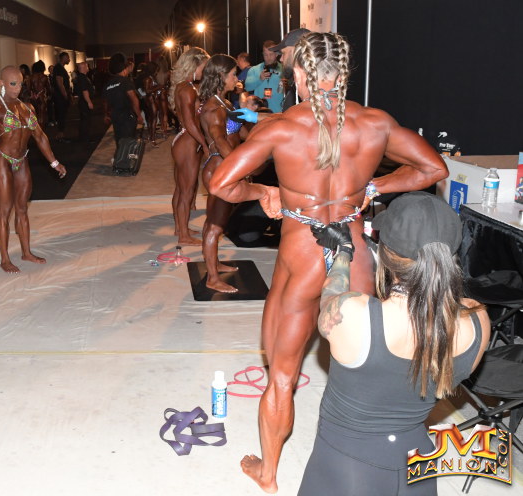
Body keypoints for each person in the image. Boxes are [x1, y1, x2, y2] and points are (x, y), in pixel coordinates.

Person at [207, 32, 448, 493]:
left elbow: (221, 183)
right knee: (361, 369)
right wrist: (374, 187)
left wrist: (263, 191)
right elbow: (434, 169)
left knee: (281, 374)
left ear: (299, 73)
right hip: (355, 256)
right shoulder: (375, 123)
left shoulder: (281, 127)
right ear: (345, 72)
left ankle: (269, 474)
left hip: (302, 258)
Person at [298, 192, 489, 495]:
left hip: (348, 469)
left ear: (384, 255)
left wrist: (344, 251)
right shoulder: (477, 319)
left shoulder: (355, 314)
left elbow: (329, 301)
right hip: (418, 464)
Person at [0, 66, 67, 273]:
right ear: (2, 84)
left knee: (22, 209)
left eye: (21, 83)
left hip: (21, 160)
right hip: (2, 160)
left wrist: (54, 162)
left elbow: (40, 136)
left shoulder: (27, 107)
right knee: (4, 210)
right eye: (13, 84)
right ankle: (5, 259)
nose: (17, 88)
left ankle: (26, 252)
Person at [198, 54, 242, 293]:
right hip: (219, 169)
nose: (236, 78)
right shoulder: (214, 109)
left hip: (221, 166)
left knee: (214, 222)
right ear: (221, 76)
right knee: (215, 226)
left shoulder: (223, 102)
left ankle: (213, 264)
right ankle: (212, 278)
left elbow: (235, 132)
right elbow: (220, 140)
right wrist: (238, 167)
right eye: (233, 74)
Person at [169, 47, 210, 245]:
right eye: (204, 67)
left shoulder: (183, 87)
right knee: (187, 190)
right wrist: (204, 143)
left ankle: (181, 228)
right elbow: (190, 123)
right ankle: (184, 235)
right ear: (194, 66)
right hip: (188, 141)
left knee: (181, 188)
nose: (205, 71)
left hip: (183, 139)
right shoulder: (188, 89)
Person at [103, 52, 141, 143]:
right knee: (129, 140)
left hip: (115, 116)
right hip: (127, 116)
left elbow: (105, 101)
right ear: (124, 68)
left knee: (119, 139)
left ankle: (120, 151)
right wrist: (139, 115)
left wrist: (106, 114)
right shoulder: (125, 81)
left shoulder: (108, 83)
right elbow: (134, 99)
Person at [270, 28, 311, 112]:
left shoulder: (309, 88)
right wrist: (257, 116)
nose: (281, 59)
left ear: (296, 51)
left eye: (283, 53)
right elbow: (288, 118)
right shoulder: (296, 86)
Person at [243, 40, 284, 113]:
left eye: (271, 54)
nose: (268, 57)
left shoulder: (284, 69)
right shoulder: (254, 70)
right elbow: (247, 87)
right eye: (265, 55)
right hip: (260, 112)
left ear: (276, 54)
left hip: (278, 112)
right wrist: (259, 79)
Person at [51, 52, 72, 141]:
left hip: (61, 96)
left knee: (62, 115)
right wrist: (65, 95)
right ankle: (60, 135)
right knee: (61, 115)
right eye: (68, 57)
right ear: (63, 58)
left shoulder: (60, 68)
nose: (69, 59)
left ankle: (61, 135)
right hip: (60, 97)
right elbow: (60, 83)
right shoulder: (58, 68)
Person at [72, 61, 95, 142]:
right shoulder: (82, 78)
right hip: (84, 102)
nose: (88, 68)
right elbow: (85, 91)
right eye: (87, 66)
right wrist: (89, 102)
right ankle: (85, 138)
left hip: (83, 102)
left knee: (84, 120)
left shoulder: (82, 77)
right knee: (86, 120)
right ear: (84, 68)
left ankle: (83, 137)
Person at [29, 60, 50, 126]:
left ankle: (35, 128)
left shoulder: (31, 77)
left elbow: (29, 88)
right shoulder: (45, 77)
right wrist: (49, 95)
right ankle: (41, 128)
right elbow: (48, 88)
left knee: (34, 115)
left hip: (33, 97)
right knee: (42, 115)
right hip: (41, 97)